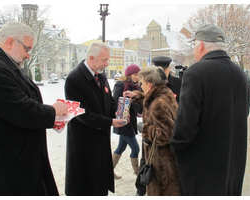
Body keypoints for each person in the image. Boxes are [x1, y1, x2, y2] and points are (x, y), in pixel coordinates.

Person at [0, 21, 68, 196]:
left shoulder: (6, 65)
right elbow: (22, 110)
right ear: (10, 42)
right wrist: (53, 110)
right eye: (27, 49)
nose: (28, 55)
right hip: (8, 167)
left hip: (20, 161)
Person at [169, 24, 250, 196]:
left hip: (203, 168)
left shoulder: (196, 72)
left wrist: (176, 146)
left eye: (194, 45)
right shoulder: (241, 74)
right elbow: (244, 114)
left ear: (201, 46)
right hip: (232, 164)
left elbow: (186, 123)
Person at [64, 41, 126, 196]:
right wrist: (110, 122)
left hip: (101, 140)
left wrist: (118, 112)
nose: (107, 64)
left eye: (107, 60)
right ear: (91, 58)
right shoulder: (74, 79)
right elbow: (82, 113)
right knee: (85, 185)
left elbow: (109, 100)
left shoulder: (101, 76)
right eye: (104, 60)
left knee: (99, 184)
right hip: (83, 144)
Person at [124, 66, 180, 196]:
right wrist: (137, 96)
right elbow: (151, 100)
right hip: (164, 159)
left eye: (142, 83)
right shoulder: (165, 93)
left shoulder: (159, 103)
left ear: (149, 85)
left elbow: (165, 134)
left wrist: (144, 128)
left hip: (161, 162)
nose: (140, 86)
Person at [112, 64, 141, 179]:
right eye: (135, 75)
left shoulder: (137, 87)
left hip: (131, 121)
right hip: (122, 121)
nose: (137, 77)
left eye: (138, 75)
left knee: (121, 147)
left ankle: (108, 171)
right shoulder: (121, 84)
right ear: (128, 75)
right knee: (136, 148)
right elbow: (114, 100)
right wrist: (125, 103)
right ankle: (138, 172)